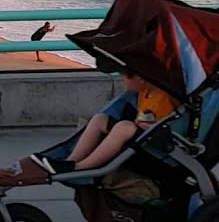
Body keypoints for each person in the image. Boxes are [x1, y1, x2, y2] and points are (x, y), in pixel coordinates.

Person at [31, 71, 178, 175]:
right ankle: (71, 160)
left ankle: (81, 167)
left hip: (157, 138)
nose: (123, 81)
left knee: (124, 127)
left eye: (124, 77)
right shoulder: (143, 91)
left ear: (139, 78)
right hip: (141, 133)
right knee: (100, 119)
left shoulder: (165, 96)